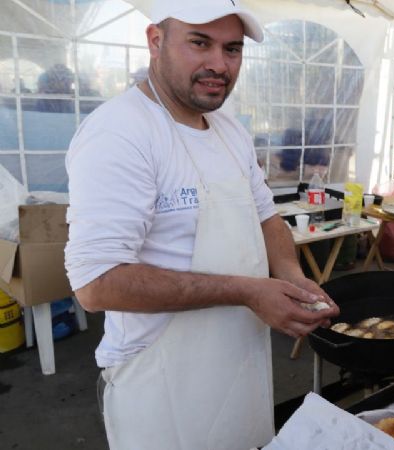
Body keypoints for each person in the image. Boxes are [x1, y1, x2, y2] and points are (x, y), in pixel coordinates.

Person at [64, 2, 339, 449]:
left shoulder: (230, 130)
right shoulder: (119, 132)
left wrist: (291, 275)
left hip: (239, 365)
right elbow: (96, 284)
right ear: (156, 41)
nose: (218, 64)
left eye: (232, 49)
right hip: (162, 384)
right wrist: (248, 290)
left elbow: (266, 215)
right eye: (199, 42)